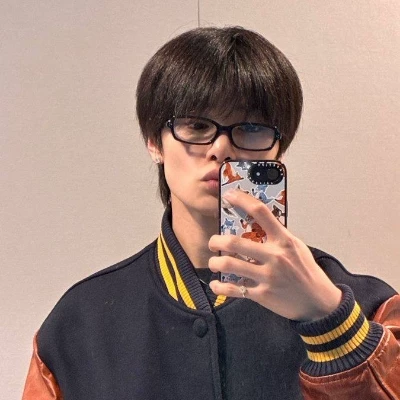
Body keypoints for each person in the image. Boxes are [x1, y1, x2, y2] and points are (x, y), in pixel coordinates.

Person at [22, 26, 400, 400]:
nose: (221, 148)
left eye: (250, 127)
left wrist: (331, 320)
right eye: (197, 125)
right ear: (154, 142)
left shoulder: (372, 309)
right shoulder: (78, 326)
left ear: (278, 149)